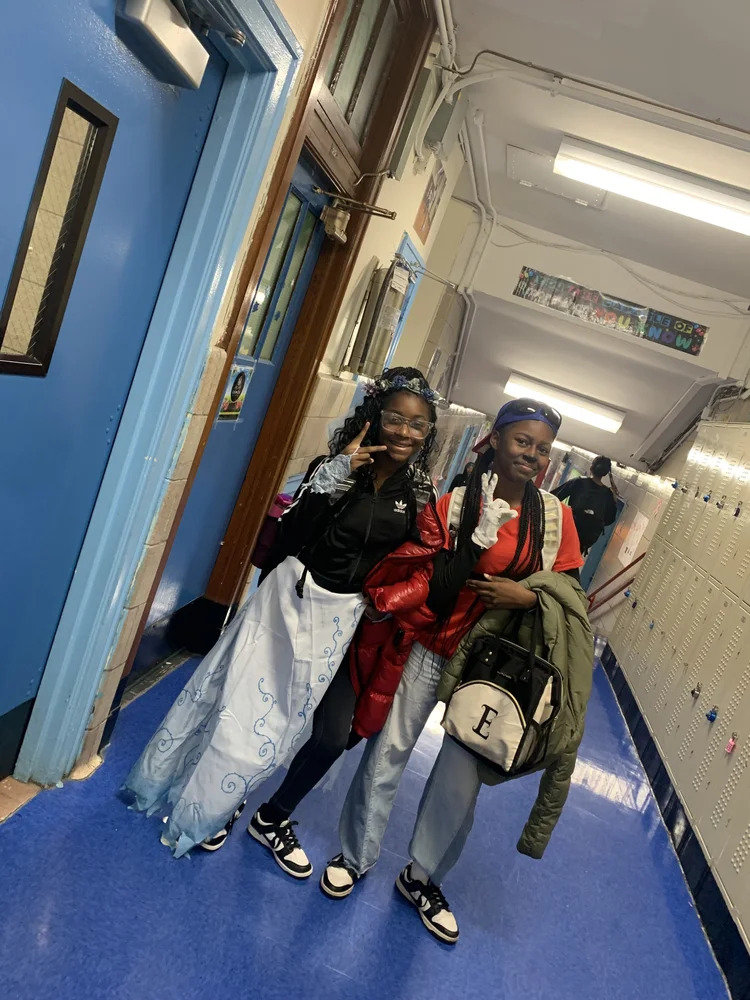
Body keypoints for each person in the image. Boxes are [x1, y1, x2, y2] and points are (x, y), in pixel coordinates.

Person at [122, 367, 439, 863]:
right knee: (242, 718)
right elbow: (288, 542)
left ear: (429, 433)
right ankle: (218, 806)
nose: (405, 432)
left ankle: (272, 817)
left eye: (417, 424)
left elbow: (420, 567)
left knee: (331, 735)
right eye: (395, 418)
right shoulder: (332, 467)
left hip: (347, 624)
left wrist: (388, 600)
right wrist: (334, 478)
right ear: (376, 416)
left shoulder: (421, 495)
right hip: (288, 604)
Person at [317, 398, 584, 943]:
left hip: (493, 668)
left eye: (542, 449)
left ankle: (422, 876)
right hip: (433, 646)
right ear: (497, 438)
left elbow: (570, 597)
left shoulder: (556, 520)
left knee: (459, 780)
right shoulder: (456, 504)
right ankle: (356, 853)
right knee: (391, 749)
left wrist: (525, 598)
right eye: (522, 442)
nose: (531, 455)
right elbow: (425, 570)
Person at [553, 456, 618, 554]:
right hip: (585, 540)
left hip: (568, 531)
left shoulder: (579, 482)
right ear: (605, 474)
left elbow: (554, 497)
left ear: (591, 468)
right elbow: (609, 519)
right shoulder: (608, 494)